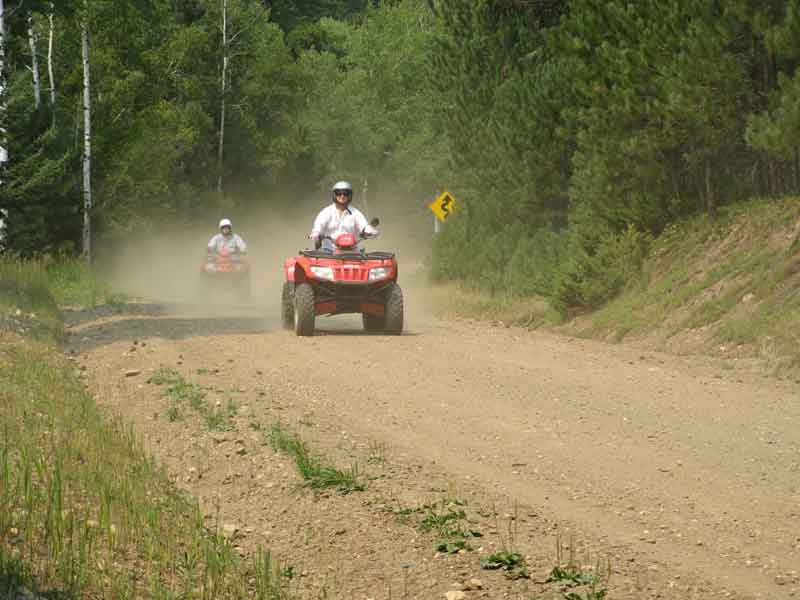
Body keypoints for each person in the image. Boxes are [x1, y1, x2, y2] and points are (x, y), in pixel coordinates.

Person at [310, 181, 378, 251]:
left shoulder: (356, 213)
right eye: (338, 193)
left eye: (346, 193)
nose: (342, 196)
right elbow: (319, 225)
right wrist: (316, 233)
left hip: (352, 252)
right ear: (334, 195)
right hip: (329, 252)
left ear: (350, 195)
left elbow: (363, 225)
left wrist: (369, 230)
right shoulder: (326, 212)